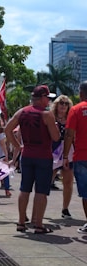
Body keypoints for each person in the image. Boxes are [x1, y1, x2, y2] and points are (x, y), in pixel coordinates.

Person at [5, 85, 59, 234]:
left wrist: (18, 146)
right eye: (47, 98)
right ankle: (39, 225)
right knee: (41, 191)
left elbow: (7, 129)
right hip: (43, 156)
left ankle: (21, 222)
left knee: (25, 189)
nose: (48, 101)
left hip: (27, 155)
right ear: (42, 98)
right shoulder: (47, 115)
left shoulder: (22, 112)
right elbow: (55, 137)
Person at [63, 81, 87, 234]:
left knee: (86, 193)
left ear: (81, 93)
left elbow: (69, 134)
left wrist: (65, 155)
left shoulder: (76, 110)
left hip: (81, 156)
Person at [50, 95, 74, 219]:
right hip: (53, 151)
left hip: (69, 151)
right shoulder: (50, 117)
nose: (64, 105)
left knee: (68, 181)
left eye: (66, 103)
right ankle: (39, 207)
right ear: (57, 104)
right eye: (61, 103)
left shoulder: (71, 117)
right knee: (47, 180)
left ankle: (65, 208)